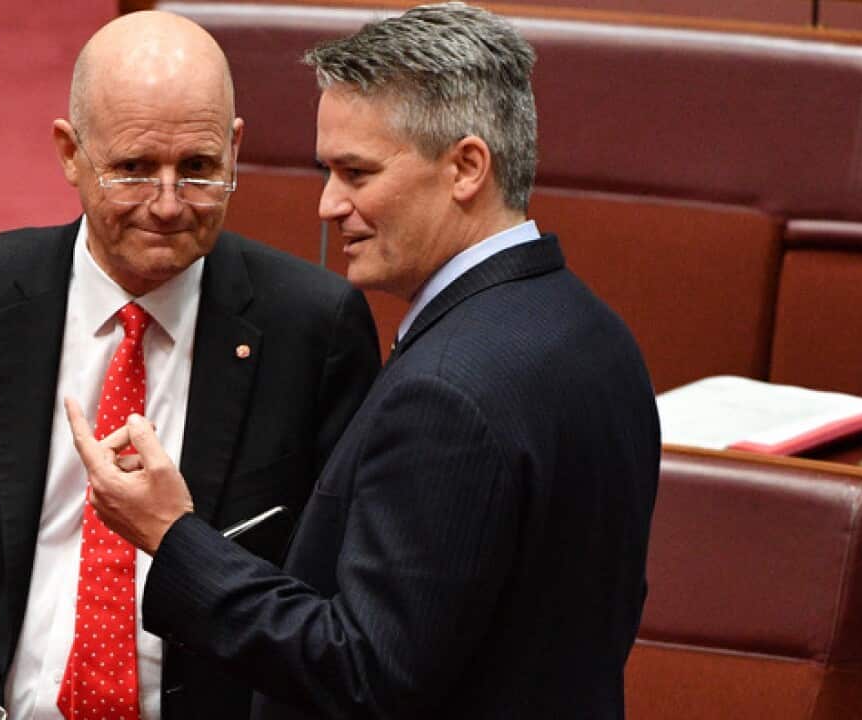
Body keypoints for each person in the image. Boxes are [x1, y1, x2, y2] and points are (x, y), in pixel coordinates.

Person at [68, 4, 661, 718]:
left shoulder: (447, 394)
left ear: (466, 167)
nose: (328, 205)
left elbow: (363, 672)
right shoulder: (596, 335)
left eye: (356, 173)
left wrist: (173, 535)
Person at [0, 11, 380, 720]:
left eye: (198, 169)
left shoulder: (312, 329)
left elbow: (335, 609)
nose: (167, 205)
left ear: (234, 150)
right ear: (71, 153)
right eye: (134, 170)